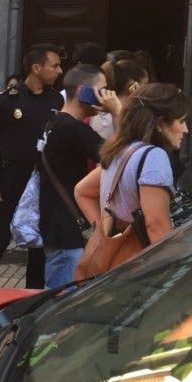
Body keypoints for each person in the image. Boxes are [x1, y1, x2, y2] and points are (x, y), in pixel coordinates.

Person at [0, 44, 63, 289]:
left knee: (39, 242)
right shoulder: (8, 100)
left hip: (42, 179)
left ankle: (33, 296)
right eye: (54, 65)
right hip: (9, 177)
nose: (59, 70)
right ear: (36, 68)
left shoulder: (56, 100)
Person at [75, 83, 191, 261]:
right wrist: (173, 267)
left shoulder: (122, 152)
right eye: (181, 121)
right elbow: (156, 225)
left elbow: (82, 191)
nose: (186, 129)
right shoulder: (154, 157)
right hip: (143, 269)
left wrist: (105, 234)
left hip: (118, 265)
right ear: (160, 124)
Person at [38, 64, 120, 288]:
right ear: (83, 90)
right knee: (61, 305)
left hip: (57, 225)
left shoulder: (56, 121)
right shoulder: (72, 129)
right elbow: (119, 157)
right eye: (101, 89)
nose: (105, 95)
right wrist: (116, 111)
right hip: (67, 232)